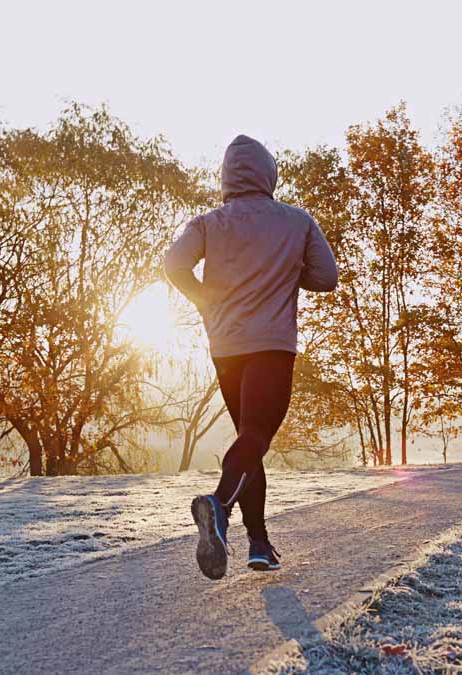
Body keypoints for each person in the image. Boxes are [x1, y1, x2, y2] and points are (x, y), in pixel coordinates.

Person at [163, 134, 338, 580]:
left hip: (225, 346)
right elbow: (326, 277)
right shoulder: (296, 222)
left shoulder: (207, 223)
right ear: (269, 174)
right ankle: (219, 507)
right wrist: (287, 269)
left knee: (249, 438)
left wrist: (206, 301)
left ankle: (259, 543)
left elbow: (173, 265)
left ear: (226, 177)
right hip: (272, 344)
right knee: (257, 435)